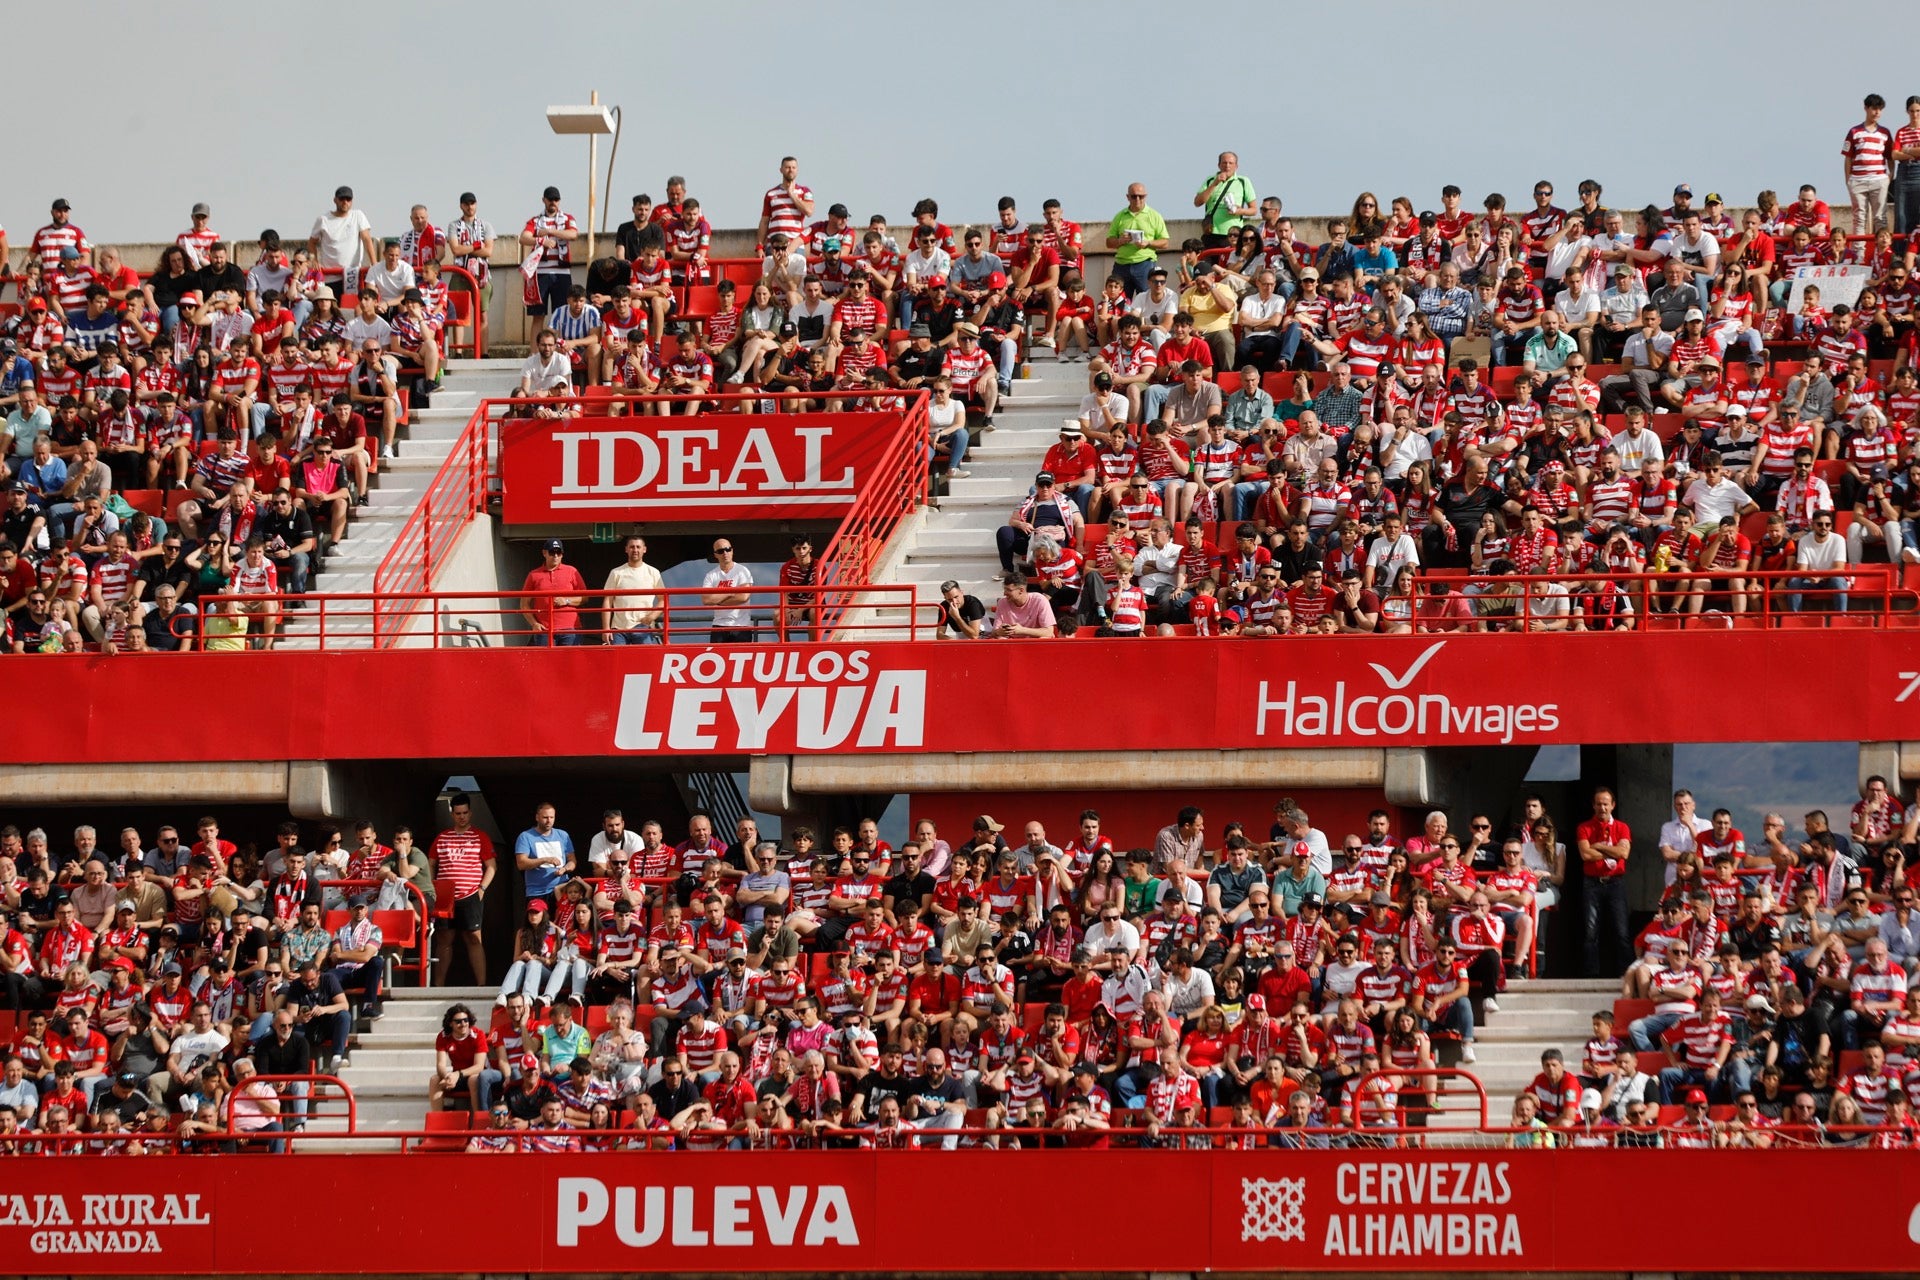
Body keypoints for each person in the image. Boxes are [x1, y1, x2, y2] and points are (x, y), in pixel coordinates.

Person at [430, 793, 496, 986]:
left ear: (470, 813)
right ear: (452, 814)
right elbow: (431, 863)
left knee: (474, 939)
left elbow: (491, 866)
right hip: (445, 897)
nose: (462, 817)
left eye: (465, 813)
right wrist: (434, 887)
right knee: (444, 940)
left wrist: (482, 888)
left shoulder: (480, 836)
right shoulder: (442, 837)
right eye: (458, 813)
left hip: (471, 895)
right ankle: (438, 986)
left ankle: (481, 986)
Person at [1578, 788, 1632, 978]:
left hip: (1615, 882)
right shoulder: (1584, 827)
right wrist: (1613, 850)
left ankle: (1625, 974)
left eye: (1606, 803)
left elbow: (1624, 853)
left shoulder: (1622, 827)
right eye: (1599, 803)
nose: (1602, 807)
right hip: (1592, 883)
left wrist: (1599, 846)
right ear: (1593, 805)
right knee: (1590, 932)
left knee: (1622, 931)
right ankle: (1591, 975)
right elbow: (1585, 854)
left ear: (1613, 805)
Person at [521, 538, 588, 644]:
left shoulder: (572, 571)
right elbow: (524, 604)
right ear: (544, 553)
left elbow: (585, 597)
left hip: (570, 628)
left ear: (562, 554)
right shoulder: (533, 575)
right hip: (544, 629)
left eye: (559, 552)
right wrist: (534, 624)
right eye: (552, 552)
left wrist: (566, 601)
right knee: (545, 660)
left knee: (569, 660)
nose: (556, 556)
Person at [1106, 183, 1169, 296]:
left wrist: (1148, 242)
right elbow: (1109, 242)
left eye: (1141, 196)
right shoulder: (1120, 216)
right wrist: (1120, 241)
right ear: (1128, 197)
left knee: (1147, 299)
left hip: (1145, 264)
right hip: (1122, 265)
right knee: (1120, 301)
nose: (1138, 199)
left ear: (1146, 196)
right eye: (1134, 196)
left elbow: (1165, 242)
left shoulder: (1154, 216)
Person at [602, 534, 664, 643]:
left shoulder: (653, 572)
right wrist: (606, 628)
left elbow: (663, 600)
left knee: (645, 660)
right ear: (626, 549)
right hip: (618, 629)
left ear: (644, 549)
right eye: (632, 547)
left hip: (642, 627)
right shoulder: (616, 572)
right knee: (617, 660)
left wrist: (651, 617)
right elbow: (608, 600)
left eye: (638, 547)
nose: (635, 550)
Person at [701, 538, 755, 643]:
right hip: (718, 626)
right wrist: (730, 592)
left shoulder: (742, 571)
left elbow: (743, 597)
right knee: (716, 657)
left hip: (741, 625)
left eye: (728, 549)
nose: (725, 553)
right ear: (715, 554)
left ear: (732, 551)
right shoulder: (711, 575)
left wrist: (717, 600)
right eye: (721, 551)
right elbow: (706, 599)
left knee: (742, 658)